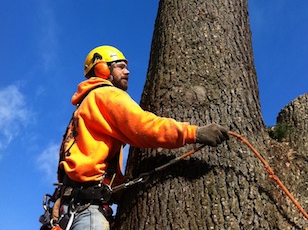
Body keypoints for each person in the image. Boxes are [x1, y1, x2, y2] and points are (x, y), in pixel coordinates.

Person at [55, 45, 229, 230]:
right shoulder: (107, 94)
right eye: (120, 66)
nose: (127, 71)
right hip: (86, 210)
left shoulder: (84, 106)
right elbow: (142, 127)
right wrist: (193, 133)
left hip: (70, 207)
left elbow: (84, 163)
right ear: (103, 69)